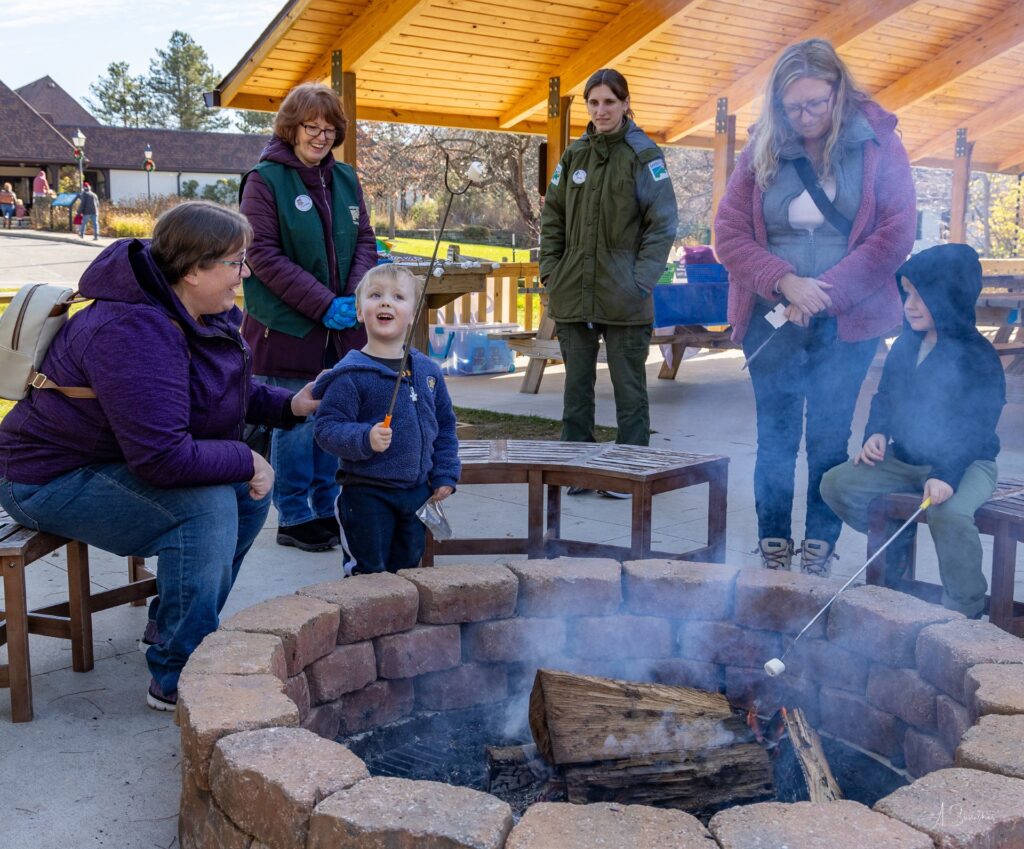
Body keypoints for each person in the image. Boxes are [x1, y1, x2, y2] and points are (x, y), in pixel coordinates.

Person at [0, 201, 319, 710]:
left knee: (244, 497)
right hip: (45, 477)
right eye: (236, 262)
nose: (245, 275)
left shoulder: (182, 306)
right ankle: (178, 675)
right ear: (193, 270)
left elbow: (213, 394)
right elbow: (162, 459)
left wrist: (291, 405)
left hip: (110, 458)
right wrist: (248, 458)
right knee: (209, 506)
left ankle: (170, 622)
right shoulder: (133, 331)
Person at [714, 38, 916, 575]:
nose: (804, 117)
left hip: (845, 322)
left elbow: (896, 233)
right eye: (793, 107)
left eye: (815, 105)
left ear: (838, 93)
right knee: (775, 439)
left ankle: (819, 548)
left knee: (829, 439)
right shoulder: (762, 145)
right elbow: (728, 233)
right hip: (773, 319)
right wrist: (783, 281)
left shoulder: (877, 143)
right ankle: (773, 545)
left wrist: (822, 290)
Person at [821, 245, 1004, 618]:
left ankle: (964, 608)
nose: (911, 305)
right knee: (836, 484)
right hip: (906, 461)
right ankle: (897, 545)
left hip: (967, 463)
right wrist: (876, 433)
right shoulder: (906, 345)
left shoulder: (978, 357)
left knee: (948, 515)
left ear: (950, 295)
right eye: (907, 293)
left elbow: (974, 427)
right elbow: (885, 397)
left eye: (923, 296)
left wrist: (945, 476)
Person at [240, 81, 377, 553]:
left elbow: (365, 242)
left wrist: (356, 295)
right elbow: (262, 254)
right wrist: (323, 303)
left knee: (332, 417)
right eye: (310, 127)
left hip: (340, 331)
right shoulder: (265, 179)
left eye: (328, 128)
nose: (320, 136)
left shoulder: (345, 179)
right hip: (288, 326)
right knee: (294, 424)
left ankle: (325, 507)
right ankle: (294, 515)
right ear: (291, 128)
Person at [539, 68, 677, 496]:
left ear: (625, 103)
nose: (601, 111)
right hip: (574, 290)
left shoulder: (643, 154)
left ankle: (628, 470)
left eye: (609, 102)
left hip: (626, 296)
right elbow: (553, 218)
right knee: (576, 389)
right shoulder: (574, 155)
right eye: (593, 103)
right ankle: (575, 468)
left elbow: (663, 222)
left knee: (629, 388)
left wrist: (641, 279)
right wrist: (551, 271)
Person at [312, 264, 459, 574]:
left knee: (407, 570)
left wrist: (445, 473)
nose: (386, 302)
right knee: (369, 573)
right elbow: (326, 429)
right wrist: (365, 438)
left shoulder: (428, 371)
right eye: (375, 295)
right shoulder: (350, 375)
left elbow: (444, 427)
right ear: (359, 311)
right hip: (366, 495)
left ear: (414, 312)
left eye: (398, 297)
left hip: (417, 492)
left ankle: (401, 622)